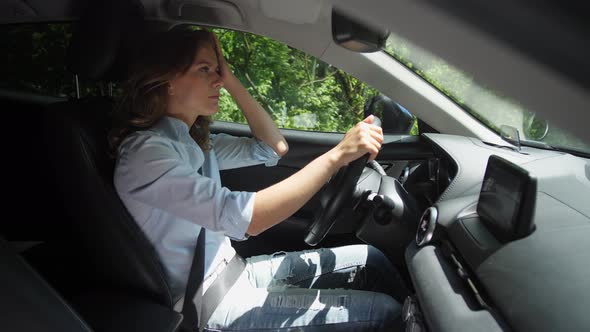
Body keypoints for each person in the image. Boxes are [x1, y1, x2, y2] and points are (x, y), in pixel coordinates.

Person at [110, 27, 408, 331]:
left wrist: (230, 79)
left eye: (218, 70)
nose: (218, 81)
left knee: (370, 260)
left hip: (234, 273)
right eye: (205, 69)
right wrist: (336, 156)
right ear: (167, 80)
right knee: (387, 314)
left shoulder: (195, 142)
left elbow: (272, 147)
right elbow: (249, 219)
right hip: (206, 305)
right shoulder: (146, 154)